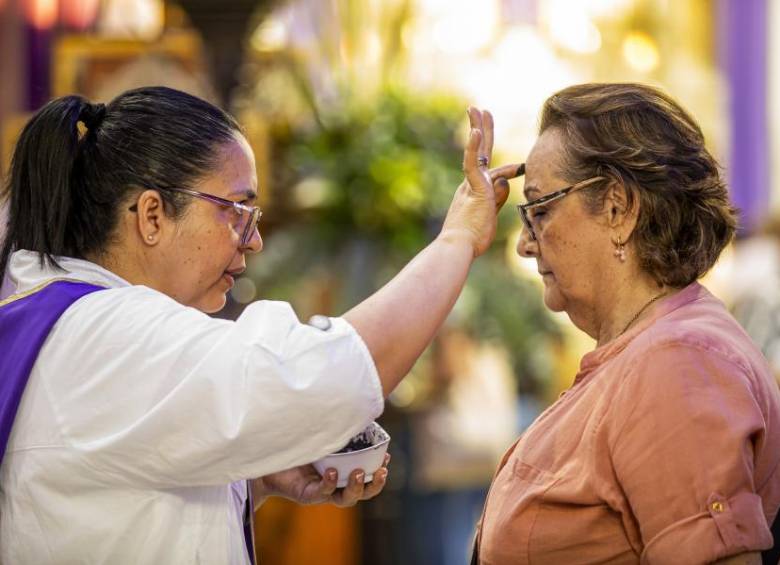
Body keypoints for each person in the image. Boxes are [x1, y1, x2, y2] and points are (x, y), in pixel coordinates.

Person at [0, 86, 520, 564]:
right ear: (153, 215)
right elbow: (321, 376)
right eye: (238, 212)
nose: (254, 241)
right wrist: (457, 240)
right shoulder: (106, 333)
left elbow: (112, 500)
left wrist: (255, 478)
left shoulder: (65, 317)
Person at [473, 83, 780, 564]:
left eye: (539, 210)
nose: (525, 245)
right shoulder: (654, 349)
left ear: (618, 207)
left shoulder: (677, 363)